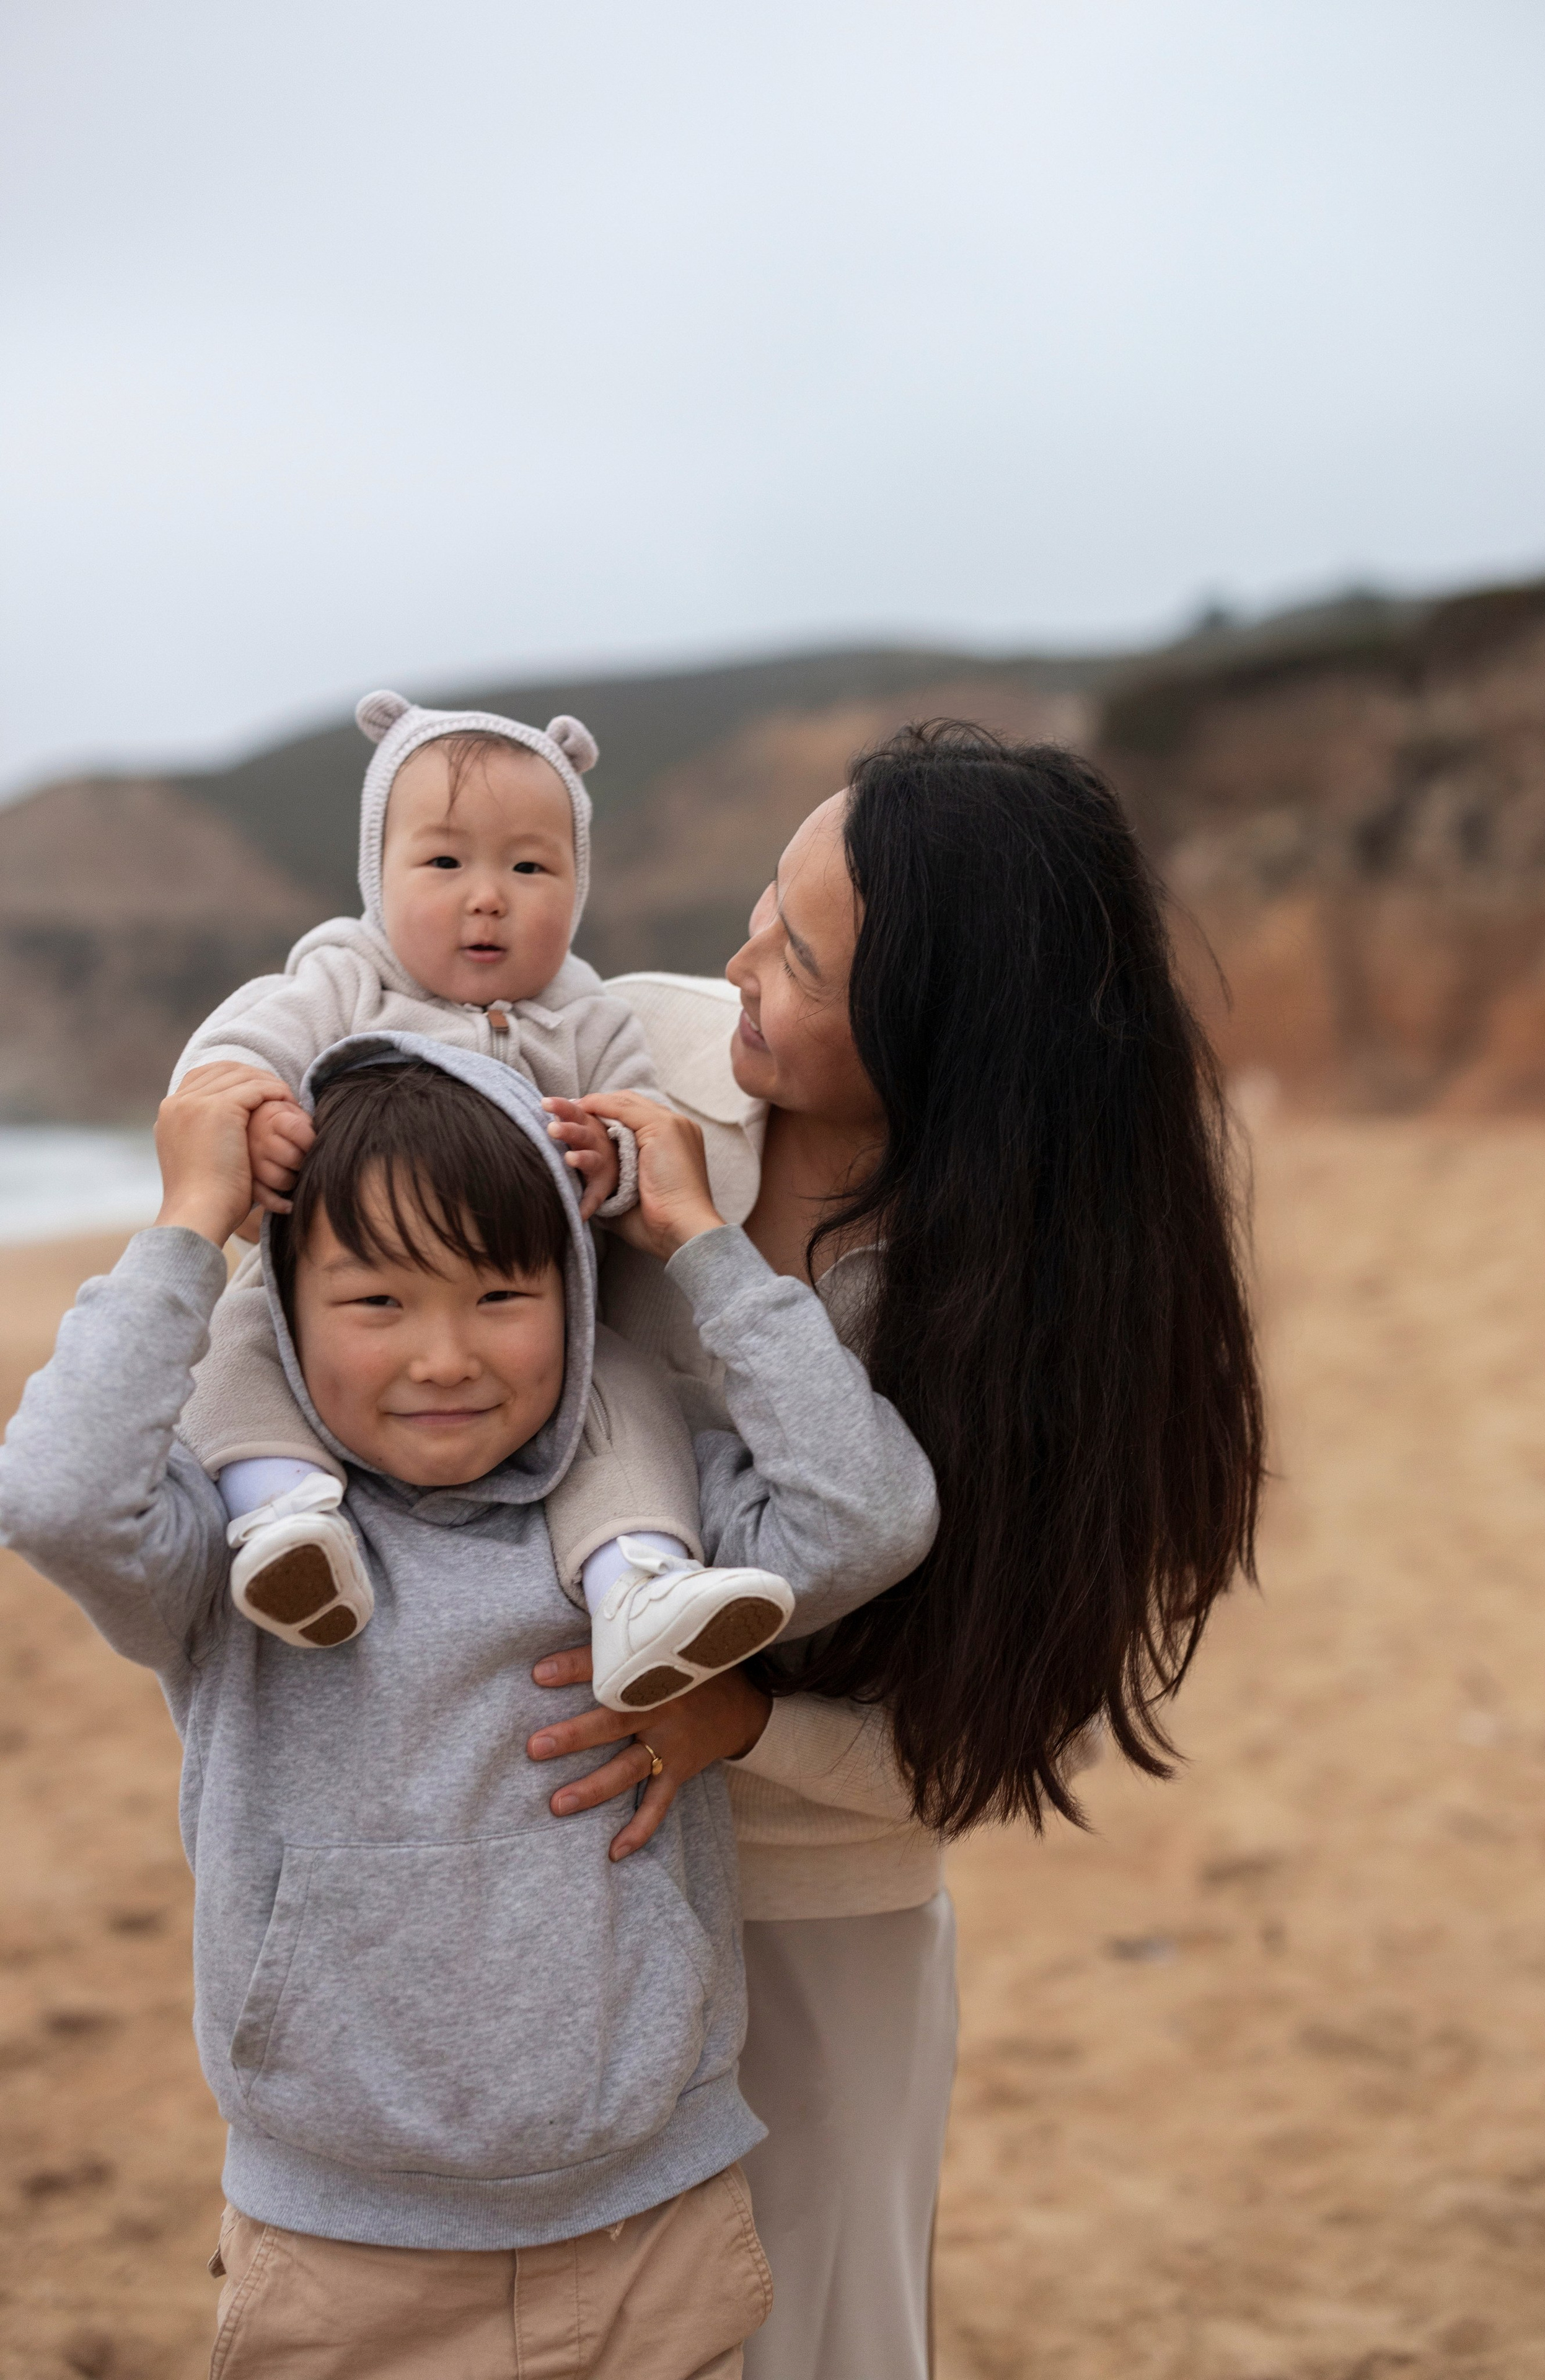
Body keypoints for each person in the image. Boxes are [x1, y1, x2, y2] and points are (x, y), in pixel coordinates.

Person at [0, 1035, 938, 2380]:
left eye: (502, 1292)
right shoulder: (239, 1559)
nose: (444, 1359)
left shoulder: (651, 1527)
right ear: (285, 1313)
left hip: (646, 2226)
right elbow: (50, 1495)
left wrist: (697, 1245)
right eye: (375, 1302)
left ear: (570, 1290)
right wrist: (186, 1227)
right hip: (339, 2252)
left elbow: (871, 1514)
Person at [525, 722, 1267, 2380]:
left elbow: (1010, 1739)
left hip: (820, 1921)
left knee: (818, 2341)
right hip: (538, 1860)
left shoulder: (1052, 1309)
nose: (738, 971)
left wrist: (748, 1733)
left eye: (797, 958)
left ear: (945, 1029)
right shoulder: (637, 1049)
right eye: (763, 909)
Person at [170, 688, 796, 1709]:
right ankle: (282, 1514)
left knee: (625, 1399)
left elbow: (645, 1126)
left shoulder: (586, 1018)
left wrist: (613, 1163)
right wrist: (255, 1116)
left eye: (530, 866)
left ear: (577, 887)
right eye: (446, 862)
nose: (489, 896)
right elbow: (232, 1056)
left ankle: (636, 1577)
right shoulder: (344, 977)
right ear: (380, 874)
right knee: (235, 1342)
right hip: (339, 1295)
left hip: (528, 1317)